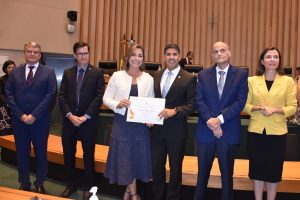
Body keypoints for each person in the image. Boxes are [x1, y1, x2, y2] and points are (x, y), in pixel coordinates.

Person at [194, 41, 248, 200]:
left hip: (228, 131)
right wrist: (211, 121)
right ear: (212, 55)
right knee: (202, 177)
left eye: (222, 50)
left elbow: (240, 101)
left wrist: (219, 120)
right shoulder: (203, 75)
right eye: (215, 51)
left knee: (227, 178)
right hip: (206, 131)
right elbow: (199, 100)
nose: (219, 53)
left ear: (229, 53)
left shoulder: (241, 74)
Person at [243, 47, 297, 200]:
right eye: (268, 57)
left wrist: (275, 110)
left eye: (276, 57)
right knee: (257, 170)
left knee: (274, 171)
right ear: (262, 61)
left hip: (277, 133)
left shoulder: (288, 81)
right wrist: (258, 107)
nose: (272, 60)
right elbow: (244, 105)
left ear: (279, 61)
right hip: (256, 132)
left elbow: (292, 107)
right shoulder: (252, 81)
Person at [5, 41, 57, 193]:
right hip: (20, 122)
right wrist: (20, 114)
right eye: (29, 51)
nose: (32, 54)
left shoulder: (49, 72)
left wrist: (34, 115)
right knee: (22, 153)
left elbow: (51, 95)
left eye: (35, 51)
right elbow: (9, 94)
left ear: (40, 55)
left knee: (41, 153)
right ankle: (24, 182)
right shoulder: (15, 72)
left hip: (40, 121)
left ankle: (40, 183)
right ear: (25, 53)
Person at [103, 44, 154, 200]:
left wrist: (150, 119)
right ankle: (134, 195)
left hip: (140, 126)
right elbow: (106, 98)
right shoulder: (117, 76)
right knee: (125, 159)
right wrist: (117, 104)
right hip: (122, 124)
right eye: (133, 55)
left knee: (135, 159)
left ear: (143, 59)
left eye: (140, 55)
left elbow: (151, 101)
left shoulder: (148, 78)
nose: (136, 58)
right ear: (127, 57)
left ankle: (127, 192)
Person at [58, 41, 105, 200]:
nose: (84, 56)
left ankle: (89, 187)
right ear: (75, 55)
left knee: (88, 155)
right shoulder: (67, 72)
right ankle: (71, 184)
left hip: (88, 122)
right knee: (69, 154)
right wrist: (70, 115)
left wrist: (85, 116)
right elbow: (62, 96)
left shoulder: (97, 72)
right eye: (80, 54)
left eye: (86, 53)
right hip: (69, 121)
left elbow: (99, 97)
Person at [151, 43, 195, 200]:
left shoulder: (189, 78)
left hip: (176, 131)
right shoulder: (155, 75)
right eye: (168, 54)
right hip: (156, 131)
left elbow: (192, 106)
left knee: (175, 170)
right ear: (164, 56)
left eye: (174, 54)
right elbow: (150, 100)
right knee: (156, 168)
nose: (171, 57)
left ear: (179, 56)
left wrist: (175, 111)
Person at [0, 60, 15, 135]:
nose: (11, 69)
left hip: (16, 105)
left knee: (15, 125)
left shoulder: (18, 79)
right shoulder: (1, 79)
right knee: (6, 126)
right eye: (9, 67)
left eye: (13, 67)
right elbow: (0, 93)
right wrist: (7, 104)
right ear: (5, 69)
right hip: (5, 106)